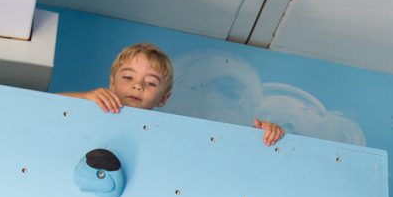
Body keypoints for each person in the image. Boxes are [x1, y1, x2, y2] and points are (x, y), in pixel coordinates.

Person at [59, 43, 285, 146]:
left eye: (150, 83)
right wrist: (85, 98)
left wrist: (264, 135)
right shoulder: (91, 108)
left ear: (164, 98)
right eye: (128, 77)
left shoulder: (168, 135)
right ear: (112, 83)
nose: (138, 86)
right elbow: (36, 107)